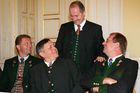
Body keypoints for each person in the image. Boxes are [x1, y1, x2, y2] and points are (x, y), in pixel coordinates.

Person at [55, 1, 105, 74]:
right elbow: (58, 47)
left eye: (76, 15)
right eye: (71, 16)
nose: (74, 19)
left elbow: (101, 46)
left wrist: (101, 55)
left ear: (84, 13)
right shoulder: (64, 27)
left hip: (87, 71)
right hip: (66, 71)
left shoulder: (95, 29)